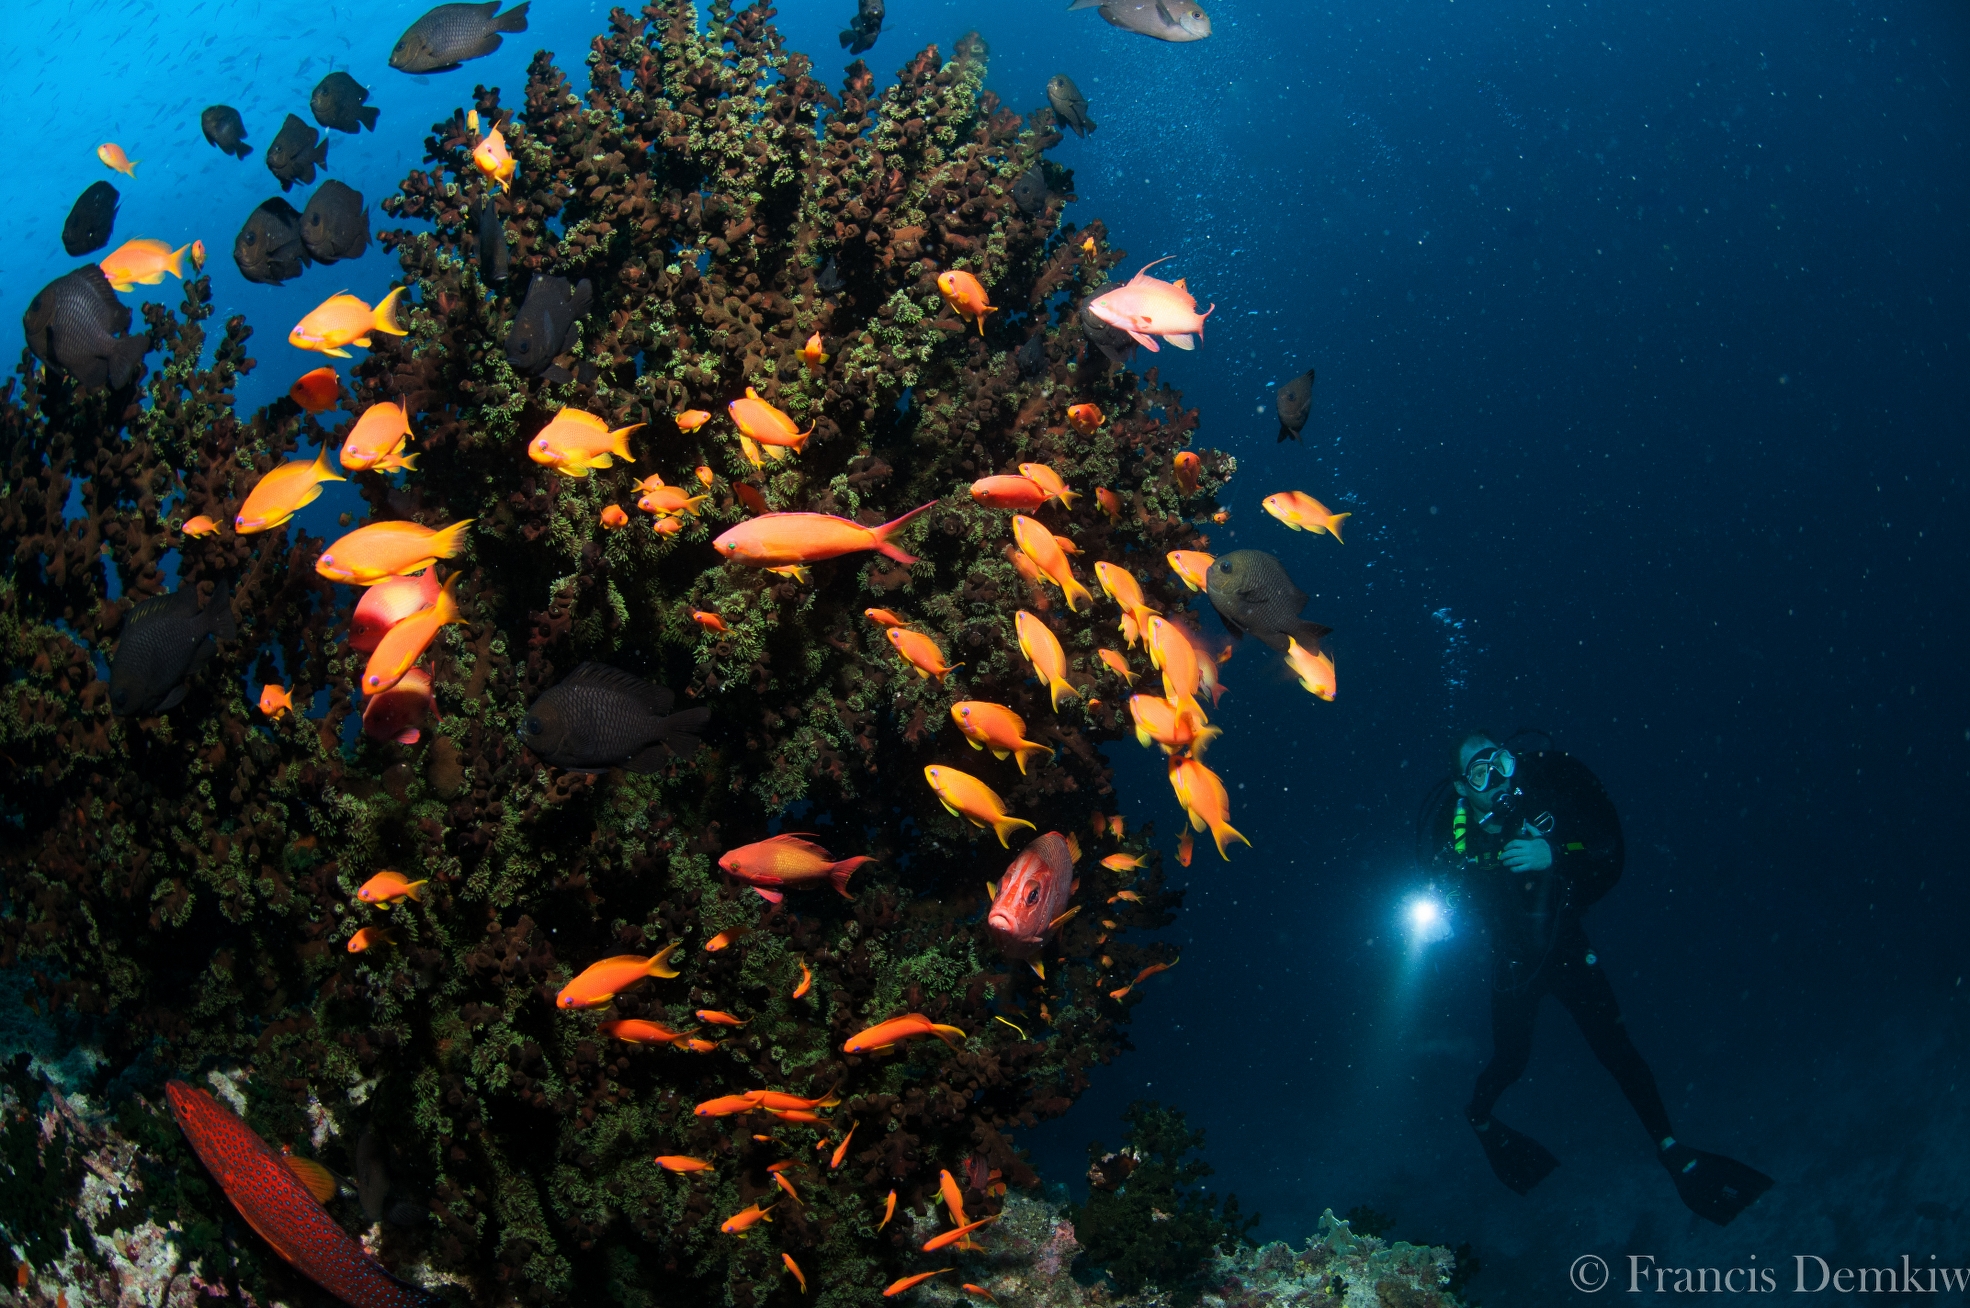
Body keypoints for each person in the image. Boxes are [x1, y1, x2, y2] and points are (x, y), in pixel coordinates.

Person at [1423, 731, 1772, 1226]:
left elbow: (1607, 848)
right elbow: (1443, 899)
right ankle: (1479, 1118)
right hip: (1514, 964)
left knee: (1617, 1048)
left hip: (1567, 947)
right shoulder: (1451, 831)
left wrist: (1554, 853)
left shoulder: (1545, 794)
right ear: (1462, 787)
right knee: (1510, 1059)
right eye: (1480, 773)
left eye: (1499, 762)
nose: (1496, 778)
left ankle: (1672, 1149)